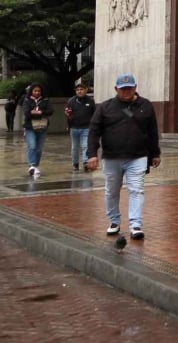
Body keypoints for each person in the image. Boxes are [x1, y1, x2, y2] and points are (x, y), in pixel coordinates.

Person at [85, 73, 160, 240]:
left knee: (136, 190)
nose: (126, 91)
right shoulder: (105, 107)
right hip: (112, 157)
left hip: (137, 156)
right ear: (116, 89)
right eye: (123, 89)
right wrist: (92, 154)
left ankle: (136, 224)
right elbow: (94, 131)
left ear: (135, 88)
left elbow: (152, 131)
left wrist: (155, 153)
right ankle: (114, 221)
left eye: (129, 88)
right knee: (112, 191)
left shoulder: (145, 105)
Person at [65, 82, 96, 172]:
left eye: (81, 89)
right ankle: (75, 163)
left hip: (86, 128)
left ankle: (85, 163)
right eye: (77, 90)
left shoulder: (90, 101)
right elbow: (67, 114)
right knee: (74, 147)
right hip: (74, 128)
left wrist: (93, 125)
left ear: (86, 90)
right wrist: (68, 122)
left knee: (85, 146)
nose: (79, 91)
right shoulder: (71, 101)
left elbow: (94, 114)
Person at [22, 84, 52, 176]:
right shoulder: (27, 100)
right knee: (32, 146)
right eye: (35, 91)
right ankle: (32, 165)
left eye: (39, 91)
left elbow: (50, 111)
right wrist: (33, 113)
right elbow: (26, 112)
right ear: (31, 91)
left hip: (42, 126)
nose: (37, 92)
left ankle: (35, 165)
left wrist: (40, 112)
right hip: (30, 127)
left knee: (39, 148)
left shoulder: (45, 100)